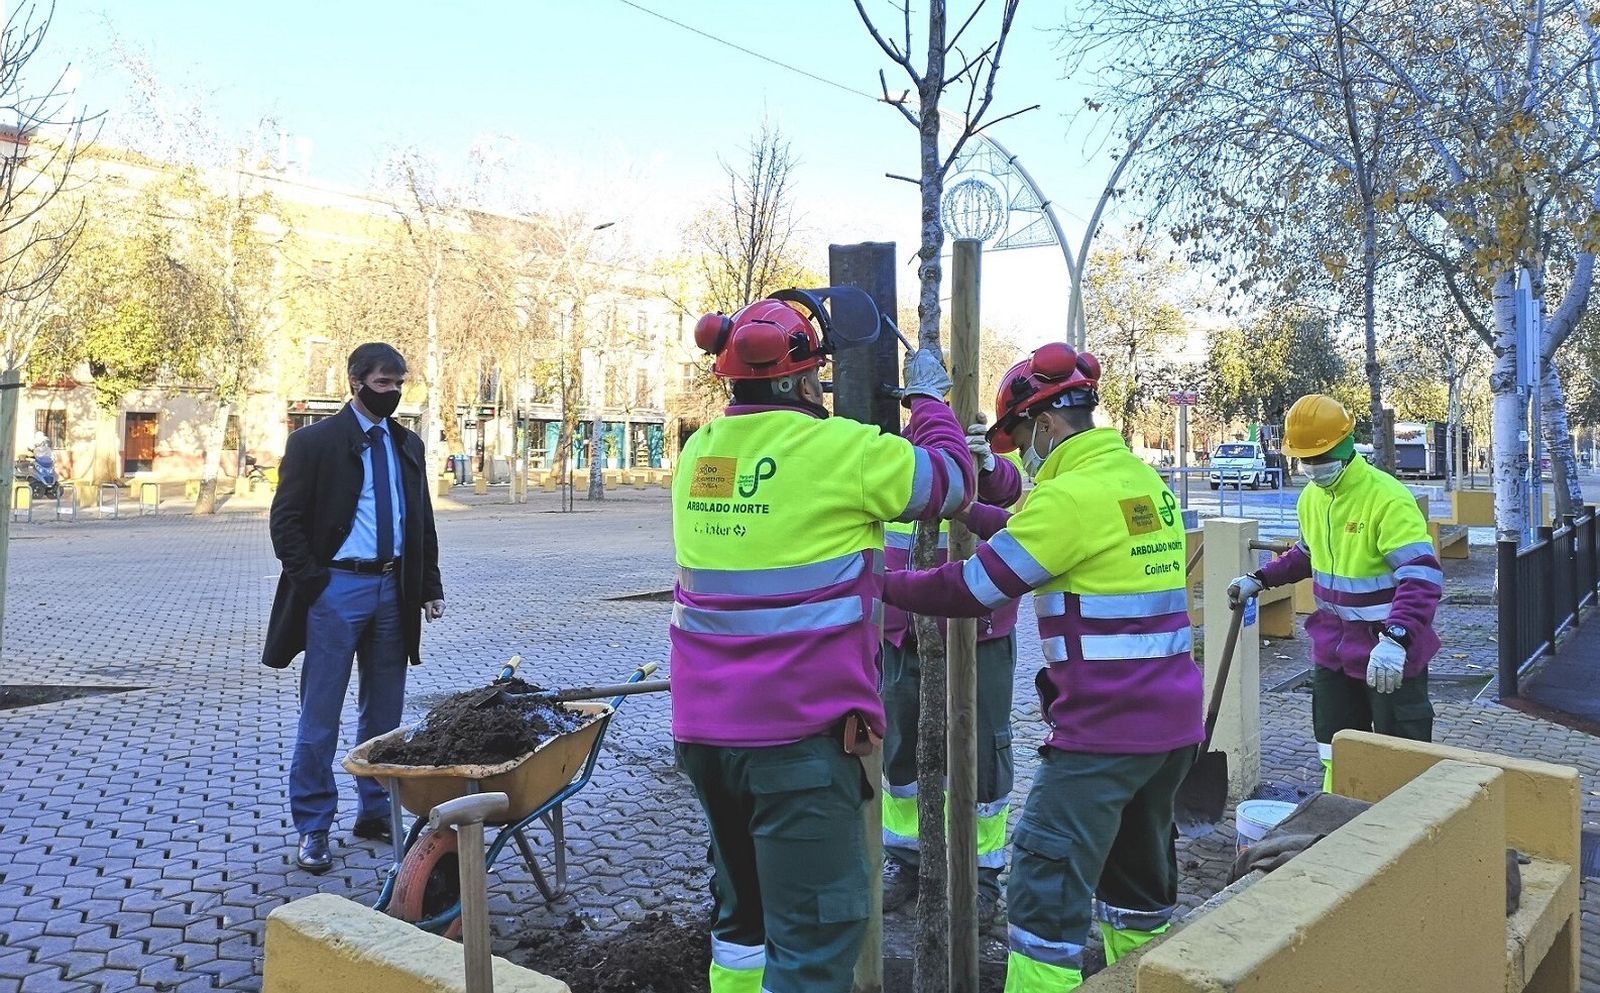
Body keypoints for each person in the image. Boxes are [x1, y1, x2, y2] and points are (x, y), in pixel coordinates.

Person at [671, 293, 975, 993]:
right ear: (807, 380)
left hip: (707, 738)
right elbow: (953, 482)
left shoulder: (699, 457)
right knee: (814, 941)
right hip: (799, 744)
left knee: (743, 925)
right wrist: (928, 399)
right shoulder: (844, 452)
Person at [882, 342, 1204, 993]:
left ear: (1047, 425)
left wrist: (877, 582)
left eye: (1020, 437)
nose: (1018, 452)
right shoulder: (1140, 482)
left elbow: (972, 587)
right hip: (1170, 731)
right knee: (1136, 892)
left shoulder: (1070, 498)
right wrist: (969, 508)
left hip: (1101, 738)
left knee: (1042, 895)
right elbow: (1044, 536)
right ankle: (1137, 977)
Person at [263, 342, 446, 875]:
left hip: (395, 592)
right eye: (384, 383)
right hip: (336, 591)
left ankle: (375, 812)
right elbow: (286, 522)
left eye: (399, 383)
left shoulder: (407, 445)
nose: (393, 392)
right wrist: (316, 585)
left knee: (384, 714)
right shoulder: (314, 443)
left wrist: (428, 585)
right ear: (356, 382)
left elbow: (421, 524)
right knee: (320, 715)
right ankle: (314, 826)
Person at [1228, 394, 1441, 792]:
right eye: (1304, 459)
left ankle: (1405, 838)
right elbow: (1307, 554)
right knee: (1334, 749)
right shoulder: (1313, 497)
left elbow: (1422, 577)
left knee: (1403, 756)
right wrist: (1260, 578)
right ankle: (1339, 818)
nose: (1311, 467)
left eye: (1318, 456)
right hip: (1334, 652)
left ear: (1344, 445)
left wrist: (1396, 638)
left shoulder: (1387, 498)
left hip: (1388, 655)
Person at [880, 425, 1022, 924]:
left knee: (983, 753)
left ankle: (980, 875)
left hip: (976, 632)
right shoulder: (890, 449)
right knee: (899, 750)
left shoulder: (984, 453)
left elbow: (1015, 494)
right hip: (903, 629)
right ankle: (906, 860)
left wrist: (985, 467)